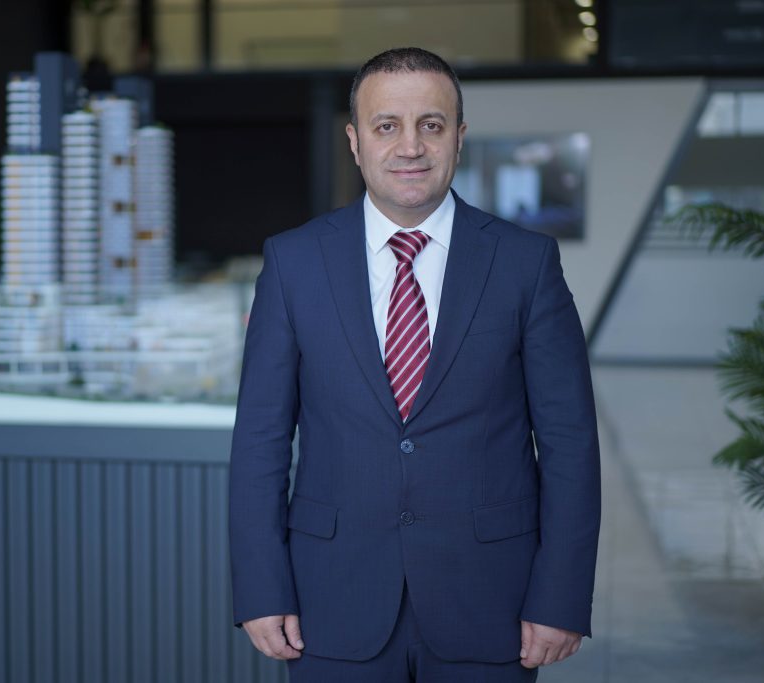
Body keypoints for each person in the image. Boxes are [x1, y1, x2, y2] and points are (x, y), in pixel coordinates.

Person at [228, 47, 600, 682]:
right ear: (354, 142)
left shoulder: (525, 263)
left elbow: (569, 442)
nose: (410, 146)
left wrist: (560, 596)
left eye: (431, 124)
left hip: (492, 600)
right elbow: (260, 438)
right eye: (386, 126)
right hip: (330, 599)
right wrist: (261, 588)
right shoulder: (293, 263)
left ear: (459, 136)